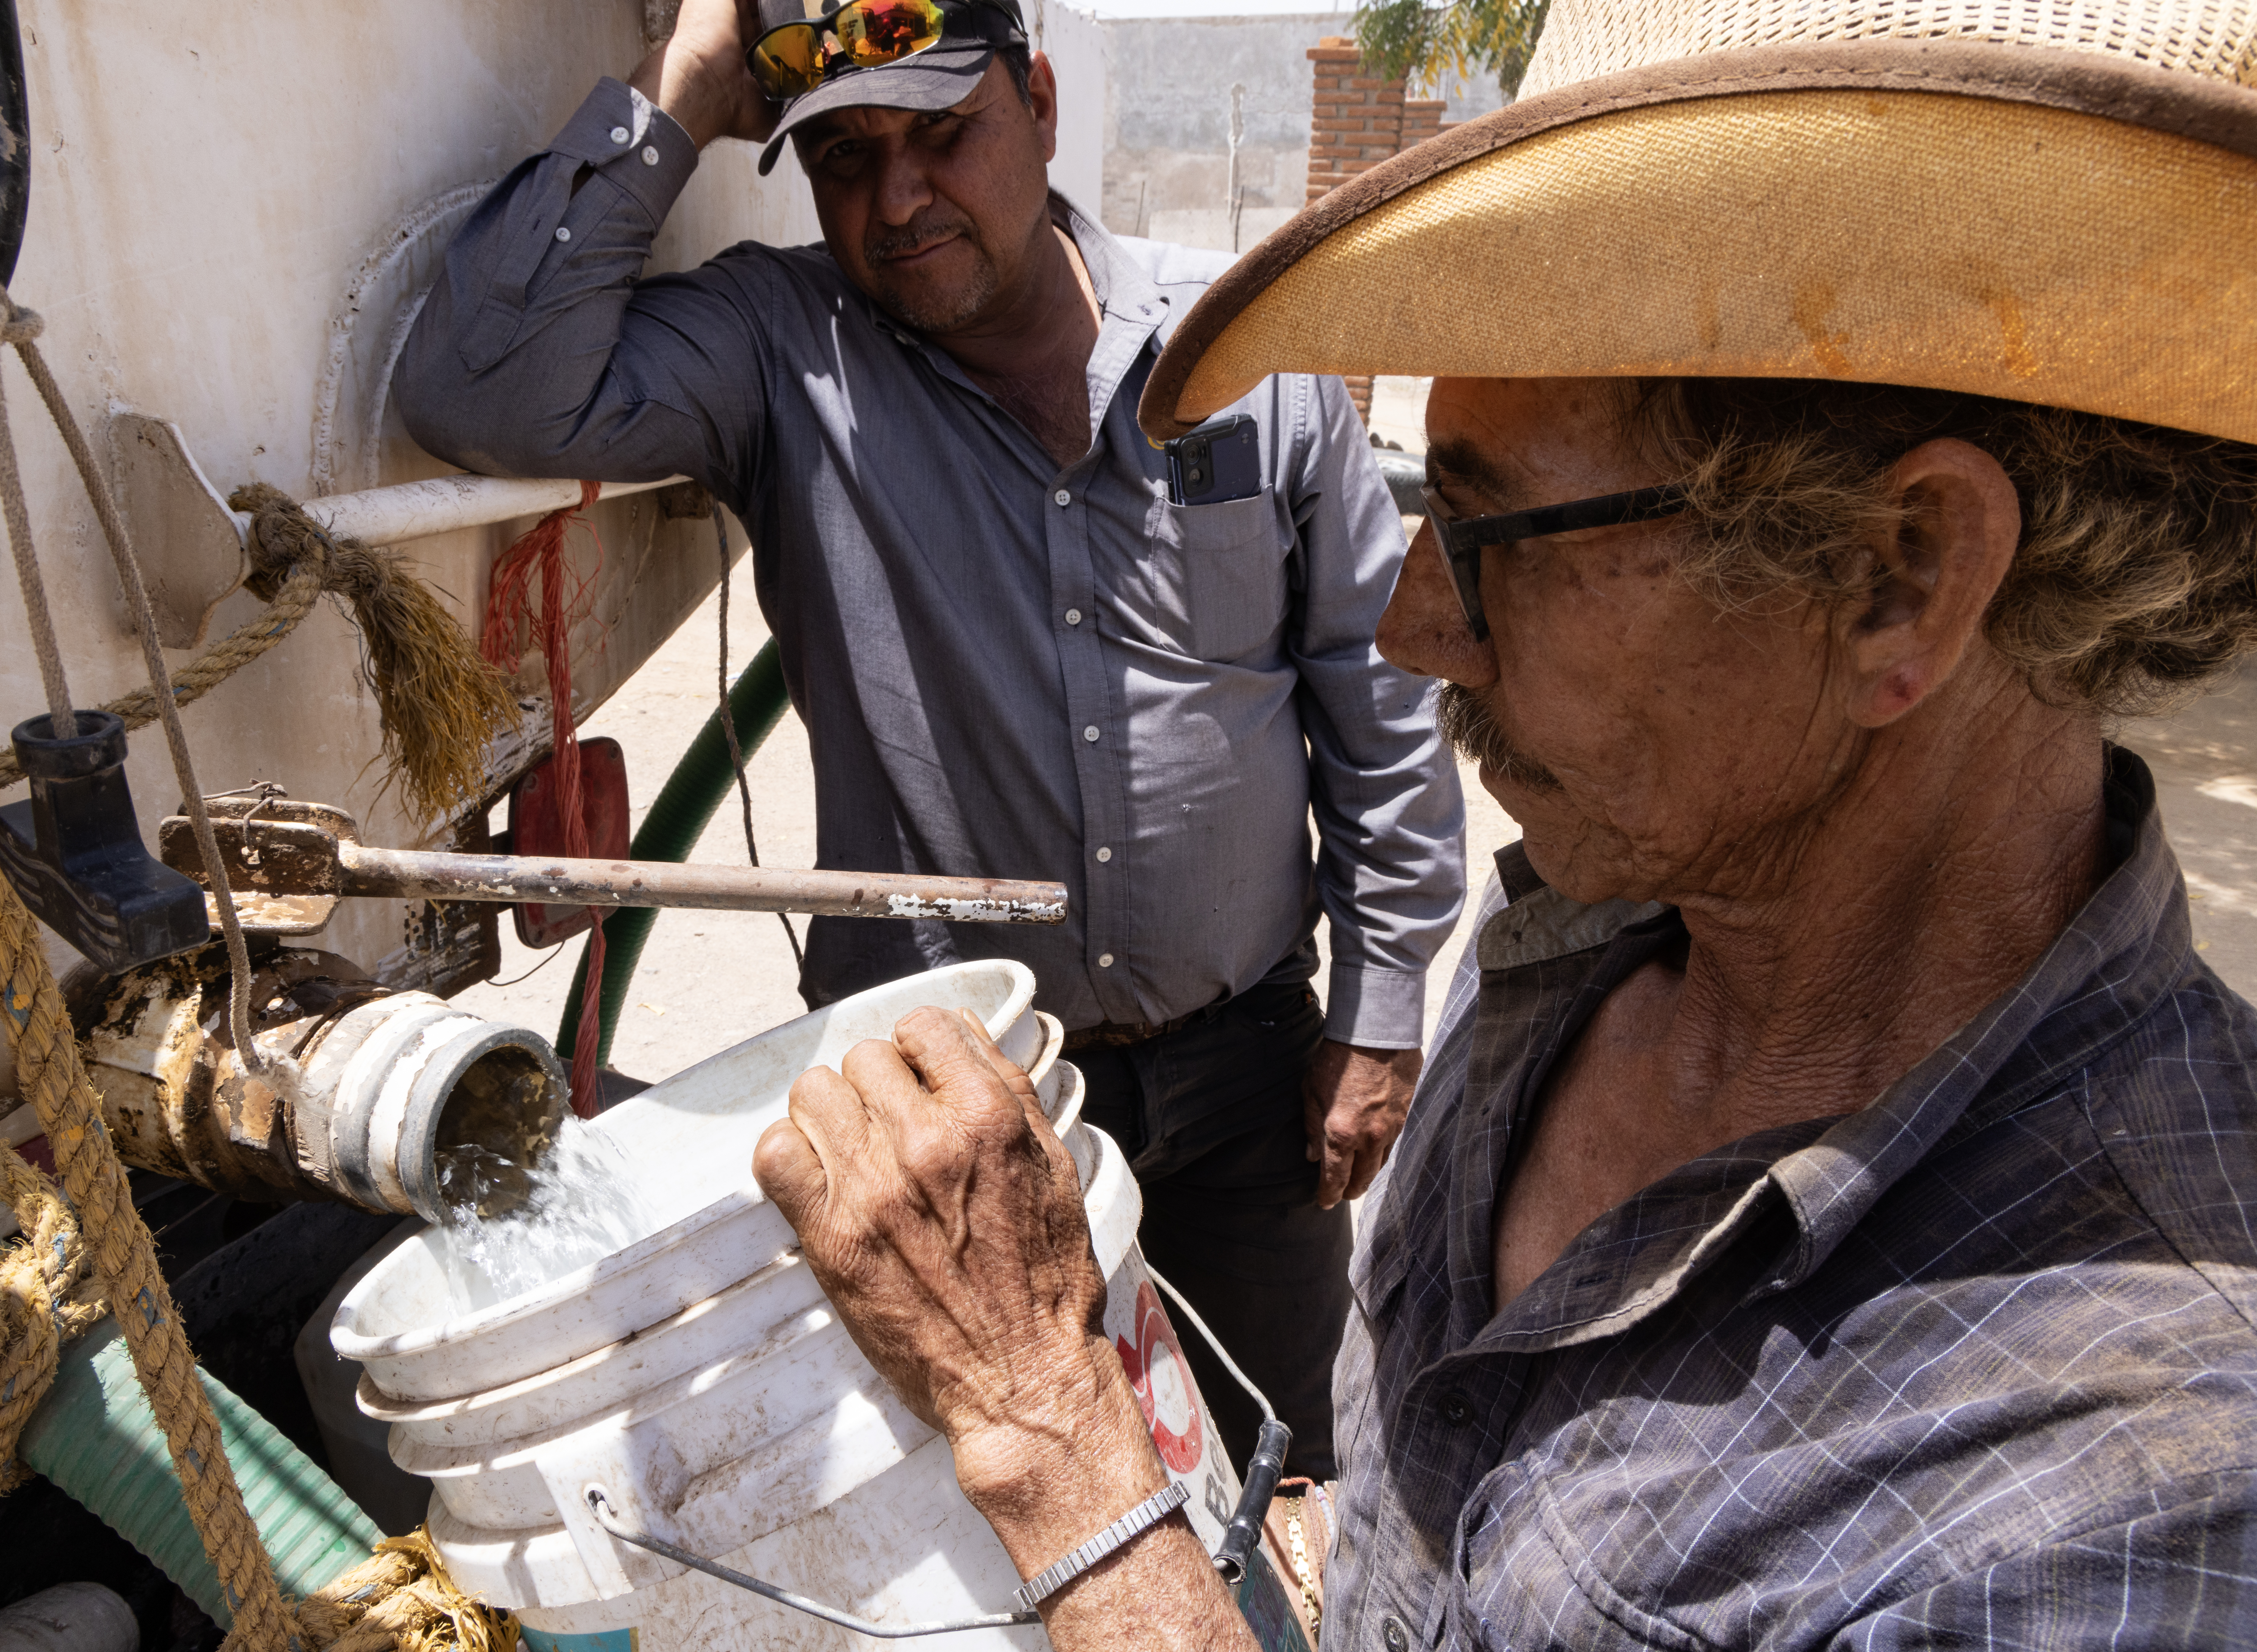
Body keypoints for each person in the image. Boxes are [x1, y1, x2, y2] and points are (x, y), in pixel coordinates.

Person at [746, 0, 2257, 1644]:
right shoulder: (1579, 956)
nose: (1413, 628)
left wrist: (1056, 1441)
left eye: (1483, 525)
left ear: (1899, 576)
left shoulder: (2133, 1480)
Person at [394, 0, 1466, 1479]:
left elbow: (1375, 695)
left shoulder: (1241, 351)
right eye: (842, 157)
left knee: (1275, 1481)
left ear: (1035, 99)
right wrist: (693, 83)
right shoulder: (781, 354)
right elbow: (475, 385)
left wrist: (1385, 1003)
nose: (896, 199)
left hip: (1248, 1085)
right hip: (936, 1105)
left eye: (941, 135)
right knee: (988, 1513)